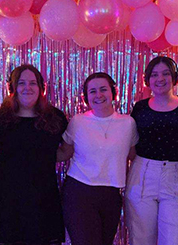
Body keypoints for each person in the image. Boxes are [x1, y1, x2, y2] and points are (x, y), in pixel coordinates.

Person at [0, 65, 67, 245]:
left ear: (41, 87)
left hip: (44, 200)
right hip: (7, 202)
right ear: (13, 88)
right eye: (21, 83)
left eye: (32, 83)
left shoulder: (55, 117)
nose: (27, 88)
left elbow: (67, 150)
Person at [58, 72, 138, 245]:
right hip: (79, 192)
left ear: (113, 92)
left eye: (103, 89)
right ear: (86, 97)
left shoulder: (128, 123)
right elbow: (64, 152)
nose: (98, 95)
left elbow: (133, 155)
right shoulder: (78, 121)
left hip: (111, 194)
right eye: (92, 91)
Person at [125, 56, 178, 245]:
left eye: (166, 73)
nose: (160, 78)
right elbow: (131, 143)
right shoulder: (140, 108)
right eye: (155, 74)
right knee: (140, 238)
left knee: (175, 239)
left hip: (176, 175)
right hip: (143, 174)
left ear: (175, 77)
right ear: (148, 79)